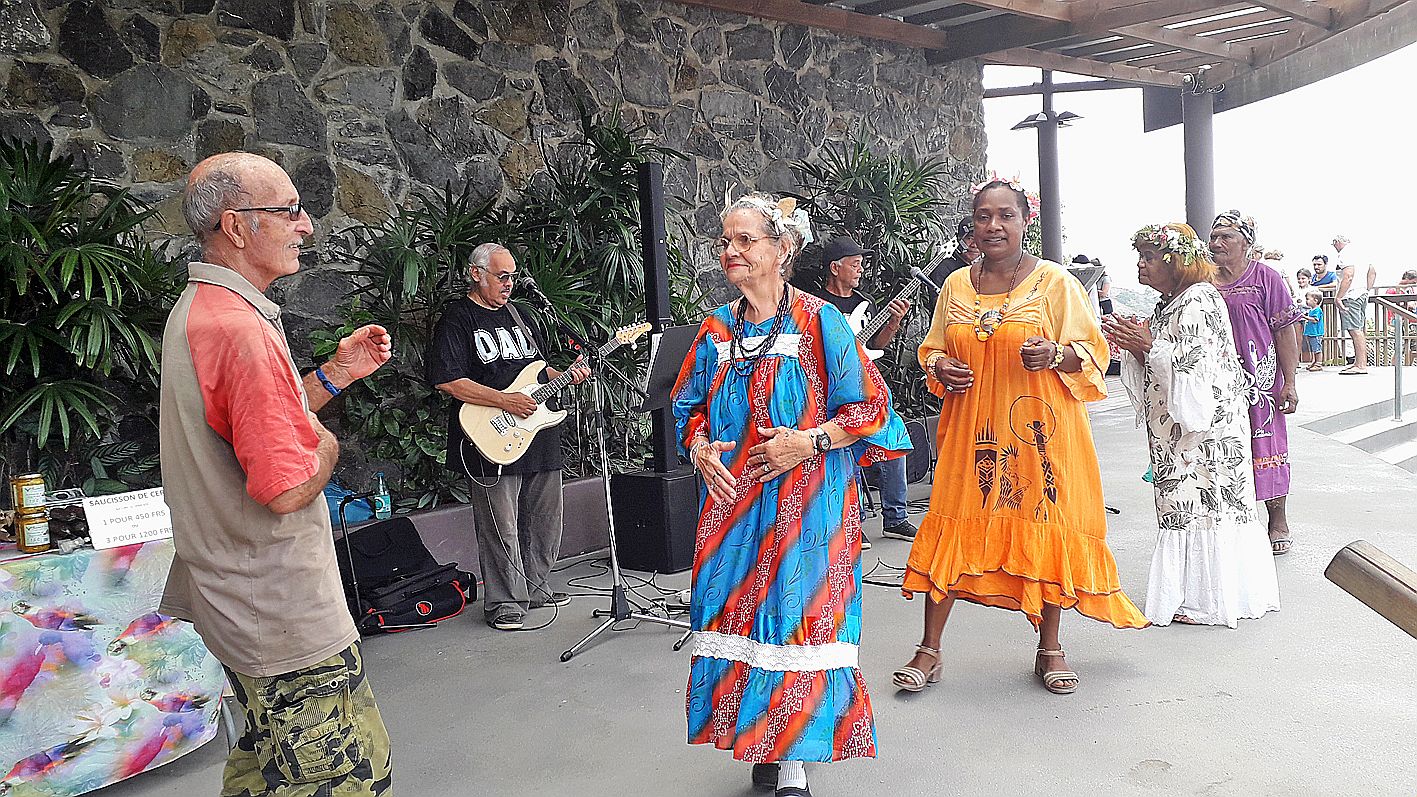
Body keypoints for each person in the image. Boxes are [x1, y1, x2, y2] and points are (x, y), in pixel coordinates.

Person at [160, 152, 393, 795]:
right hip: (280, 607)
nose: (307, 225)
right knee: (344, 777)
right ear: (237, 227)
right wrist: (328, 452)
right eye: (289, 211)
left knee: (264, 769)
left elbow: (260, 427)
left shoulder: (204, 307)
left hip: (237, 596)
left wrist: (335, 376)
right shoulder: (240, 329)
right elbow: (286, 486)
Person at [672, 193, 909, 797]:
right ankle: (761, 738)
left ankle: (794, 757)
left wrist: (808, 442)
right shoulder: (716, 328)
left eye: (745, 240)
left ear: (782, 250)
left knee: (799, 621)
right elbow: (687, 408)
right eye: (725, 240)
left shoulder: (818, 321)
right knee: (741, 618)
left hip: (810, 505)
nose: (730, 251)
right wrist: (699, 450)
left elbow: (871, 405)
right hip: (734, 507)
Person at [895, 178, 1147, 699]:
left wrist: (1054, 355)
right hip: (974, 432)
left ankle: (1050, 647)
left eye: (1005, 215)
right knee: (951, 521)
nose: (993, 225)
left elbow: (1094, 353)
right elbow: (932, 350)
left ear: (1024, 220)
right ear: (973, 224)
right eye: (983, 216)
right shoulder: (956, 287)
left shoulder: (1056, 283)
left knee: (1046, 524)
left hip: (1040, 433)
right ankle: (929, 649)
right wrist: (943, 365)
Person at [1106, 223, 1280, 627]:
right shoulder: (1171, 302)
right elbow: (1167, 358)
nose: (1141, 265)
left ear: (1176, 261)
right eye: (1141, 256)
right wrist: (1139, 348)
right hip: (1179, 427)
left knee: (1202, 504)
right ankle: (1195, 594)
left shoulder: (1198, 300)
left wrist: (1147, 346)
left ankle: (1206, 599)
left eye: (1150, 257)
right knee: (1186, 505)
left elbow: (1198, 371)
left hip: (1205, 431)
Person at [427, 243, 588, 631]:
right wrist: (504, 401)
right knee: (500, 523)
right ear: (475, 273)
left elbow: (537, 368)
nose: (509, 284)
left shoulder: (522, 315)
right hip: (488, 434)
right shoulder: (458, 318)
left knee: (546, 517)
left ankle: (535, 587)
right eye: (502, 276)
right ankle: (504, 601)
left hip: (537, 433)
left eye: (513, 276)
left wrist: (563, 376)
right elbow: (448, 380)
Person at [1210, 210, 1304, 555]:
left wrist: (1289, 382)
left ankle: (1277, 519)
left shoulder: (1266, 278)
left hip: (1260, 382)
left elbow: (1285, 330)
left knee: (1266, 445)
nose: (1217, 243)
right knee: (1220, 448)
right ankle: (1230, 523)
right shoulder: (1203, 280)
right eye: (1214, 236)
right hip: (1216, 383)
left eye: (1226, 237)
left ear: (1246, 243)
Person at [811, 235, 915, 544]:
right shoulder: (815, 306)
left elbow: (874, 346)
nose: (860, 270)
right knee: (844, 448)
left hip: (867, 388)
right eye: (855, 264)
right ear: (835, 267)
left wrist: (893, 323)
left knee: (895, 439)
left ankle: (896, 518)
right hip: (831, 393)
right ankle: (852, 525)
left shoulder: (863, 303)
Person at [1333, 235, 1371, 374]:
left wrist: (1339, 297)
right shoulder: (1361, 253)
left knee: (1354, 329)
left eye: (1334, 244)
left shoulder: (1345, 254)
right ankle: (1359, 362)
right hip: (1361, 293)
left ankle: (1361, 364)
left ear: (1338, 242)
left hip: (1351, 295)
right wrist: (1366, 289)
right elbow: (1372, 272)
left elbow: (1348, 275)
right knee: (1359, 328)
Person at [1383, 270, 1417, 366]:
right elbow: (1388, 306)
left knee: (1413, 347)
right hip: (1397, 321)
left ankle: (1408, 366)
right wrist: (1404, 305)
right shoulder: (1393, 290)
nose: (1414, 284)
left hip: (1411, 322)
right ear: (1406, 279)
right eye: (1414, 282)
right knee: (1399, 347)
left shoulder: (1411, 290)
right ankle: (1395, 366)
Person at [1302, 290, 1326, 371]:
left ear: (1315, 300)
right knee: (1312, 349)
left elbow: (1315, 320)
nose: (1306, 301)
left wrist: (1304, 317)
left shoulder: (1317, 310)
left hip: (1316, 333)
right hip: (1311, 332)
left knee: (1317, 349)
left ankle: (1318, 363)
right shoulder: (1311, 310)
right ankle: (1314, 361)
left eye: (1308, 299)